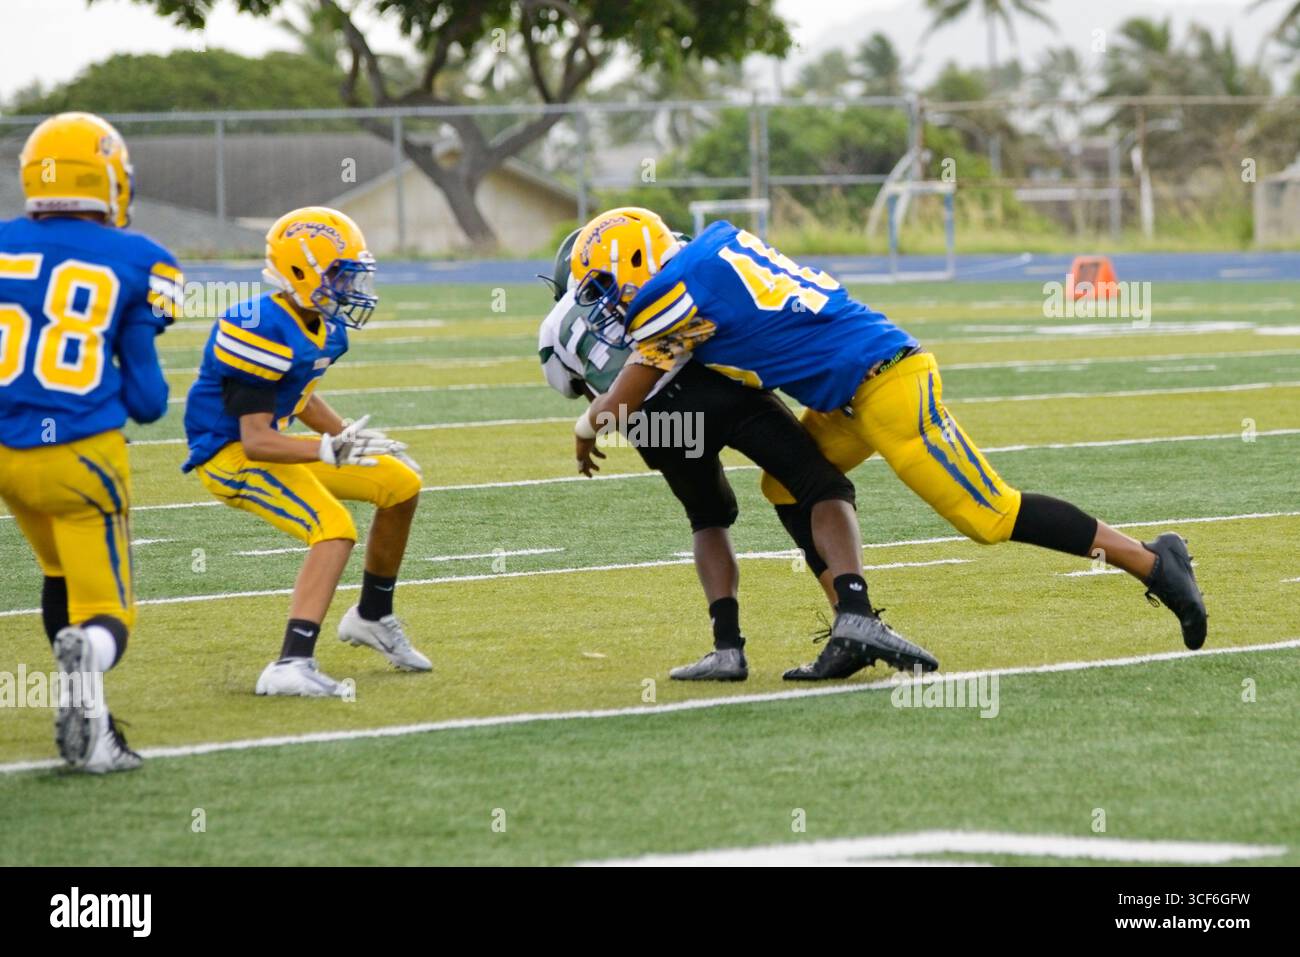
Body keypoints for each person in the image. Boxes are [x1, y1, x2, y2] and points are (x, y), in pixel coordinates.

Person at [568, 207, 1208, 680]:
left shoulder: (673, 287)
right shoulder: (707, 260)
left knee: (988, 517)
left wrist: (587, 422)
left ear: (635, 261)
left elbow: (635, 384)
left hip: (889, 384)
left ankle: (1154, 561)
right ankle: (854, 622)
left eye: (600, 287)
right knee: (786, 484)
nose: (602, 306)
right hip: (851, 393)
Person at [539, 230, 937, 681]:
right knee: (817, 486)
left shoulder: (554, 328)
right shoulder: (660, 270)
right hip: (717, 389)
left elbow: (576, 388)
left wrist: (588, 430)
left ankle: (727, 649)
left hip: (651, 422)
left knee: (707, 519)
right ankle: (855, 610)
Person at [181, 206, 430, 697]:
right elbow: (255, 438)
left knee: (401, 485)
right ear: (300, 271)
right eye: (340, 274)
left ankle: (372, 617)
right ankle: (290, 663)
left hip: (272, 442)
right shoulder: (257, 326)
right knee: (333, 529)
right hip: (231, 456)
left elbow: (301, 395)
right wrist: (325, 449)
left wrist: (344, 437)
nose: (350, 286)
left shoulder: (324, 324)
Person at [0, 112, 177, 771]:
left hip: (5, 457)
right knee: (105, 612)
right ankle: (89, 675)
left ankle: (92, 725)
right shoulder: (141, 259)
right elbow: (149, 402)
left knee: (57, 573)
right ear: (106, 180)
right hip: (80, 456)